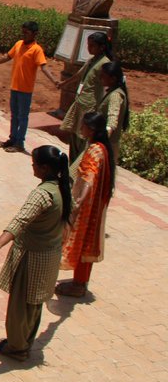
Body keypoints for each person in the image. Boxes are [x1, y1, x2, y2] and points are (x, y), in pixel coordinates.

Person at [0, 145, 72, 361]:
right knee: (34, 303)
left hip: (31, 257)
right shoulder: (63, 187)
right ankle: (25, 341)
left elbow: (21, 220)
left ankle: (17, 346)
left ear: (44, 168)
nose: (32, 167)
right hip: (49, 256)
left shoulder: (42, 194)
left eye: (34, 164)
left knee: (20, 305)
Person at [56, 112, 117, 299]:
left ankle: (79, 285)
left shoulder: (95, 151)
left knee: (82, 241)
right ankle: (80, 281)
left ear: (91, 129)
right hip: (94, 204)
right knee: (87, 242)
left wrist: (79, 202)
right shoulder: (101, 148)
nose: (80, 128)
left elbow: (89, 177)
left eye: (83, 125)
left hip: (88, 206)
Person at [0, 21, 56, 153]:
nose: (24, 35)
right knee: (14, 115)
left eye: (27, 32)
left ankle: (20, 143)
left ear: (35, 34)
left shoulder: (37, 50)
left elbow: (43, 67)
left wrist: (54, 81)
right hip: (15, 87)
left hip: (25, 90)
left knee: (22, 117)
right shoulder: (18, 44)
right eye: (23, 32)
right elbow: (7, 57)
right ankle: (12, 139)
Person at [57, 32, 113, 159]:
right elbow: (79, 75)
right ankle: (72, 164)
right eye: (88, 45)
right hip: (80, 102)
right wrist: (64, 83)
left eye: (92, 46)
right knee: (74, 135)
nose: (89, 48)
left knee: (83, 138)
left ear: (102, 47)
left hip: (90, 106)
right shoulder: (91, 61)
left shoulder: (105, 63)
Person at [95, 62, 130, 159]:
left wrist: (101, 141)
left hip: (107, 146)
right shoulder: (113, 91)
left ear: (113, 79)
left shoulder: (115, 96)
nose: (100, 77)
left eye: (103, 76)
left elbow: (112, 120)